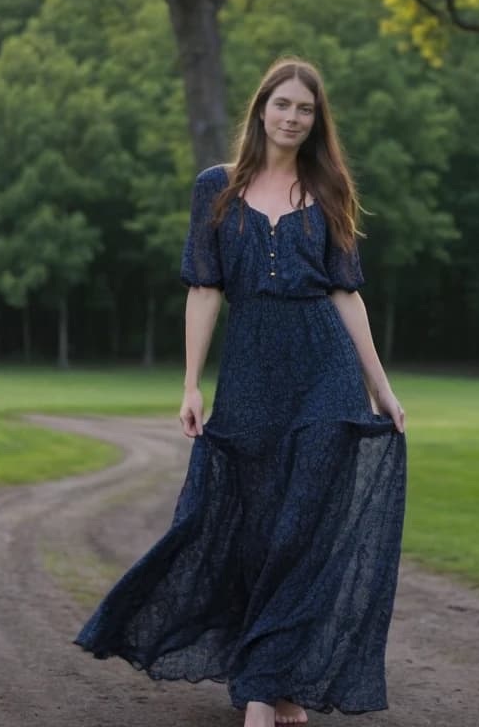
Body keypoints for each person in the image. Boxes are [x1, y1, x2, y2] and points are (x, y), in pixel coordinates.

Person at [75, 57, 408, 727]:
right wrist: (192, 384)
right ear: (261, 110)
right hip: (251, 371)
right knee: (252, 532)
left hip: (326, 373)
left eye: (305, 109)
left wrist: (382, 390)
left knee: (302, 533)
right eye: (282, 104)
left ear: (317, 122)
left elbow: (347, 294)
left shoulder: (329, 186)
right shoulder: (216, 189)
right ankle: (280, 685)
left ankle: (260, 694)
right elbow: (204, 289)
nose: (292, 117)